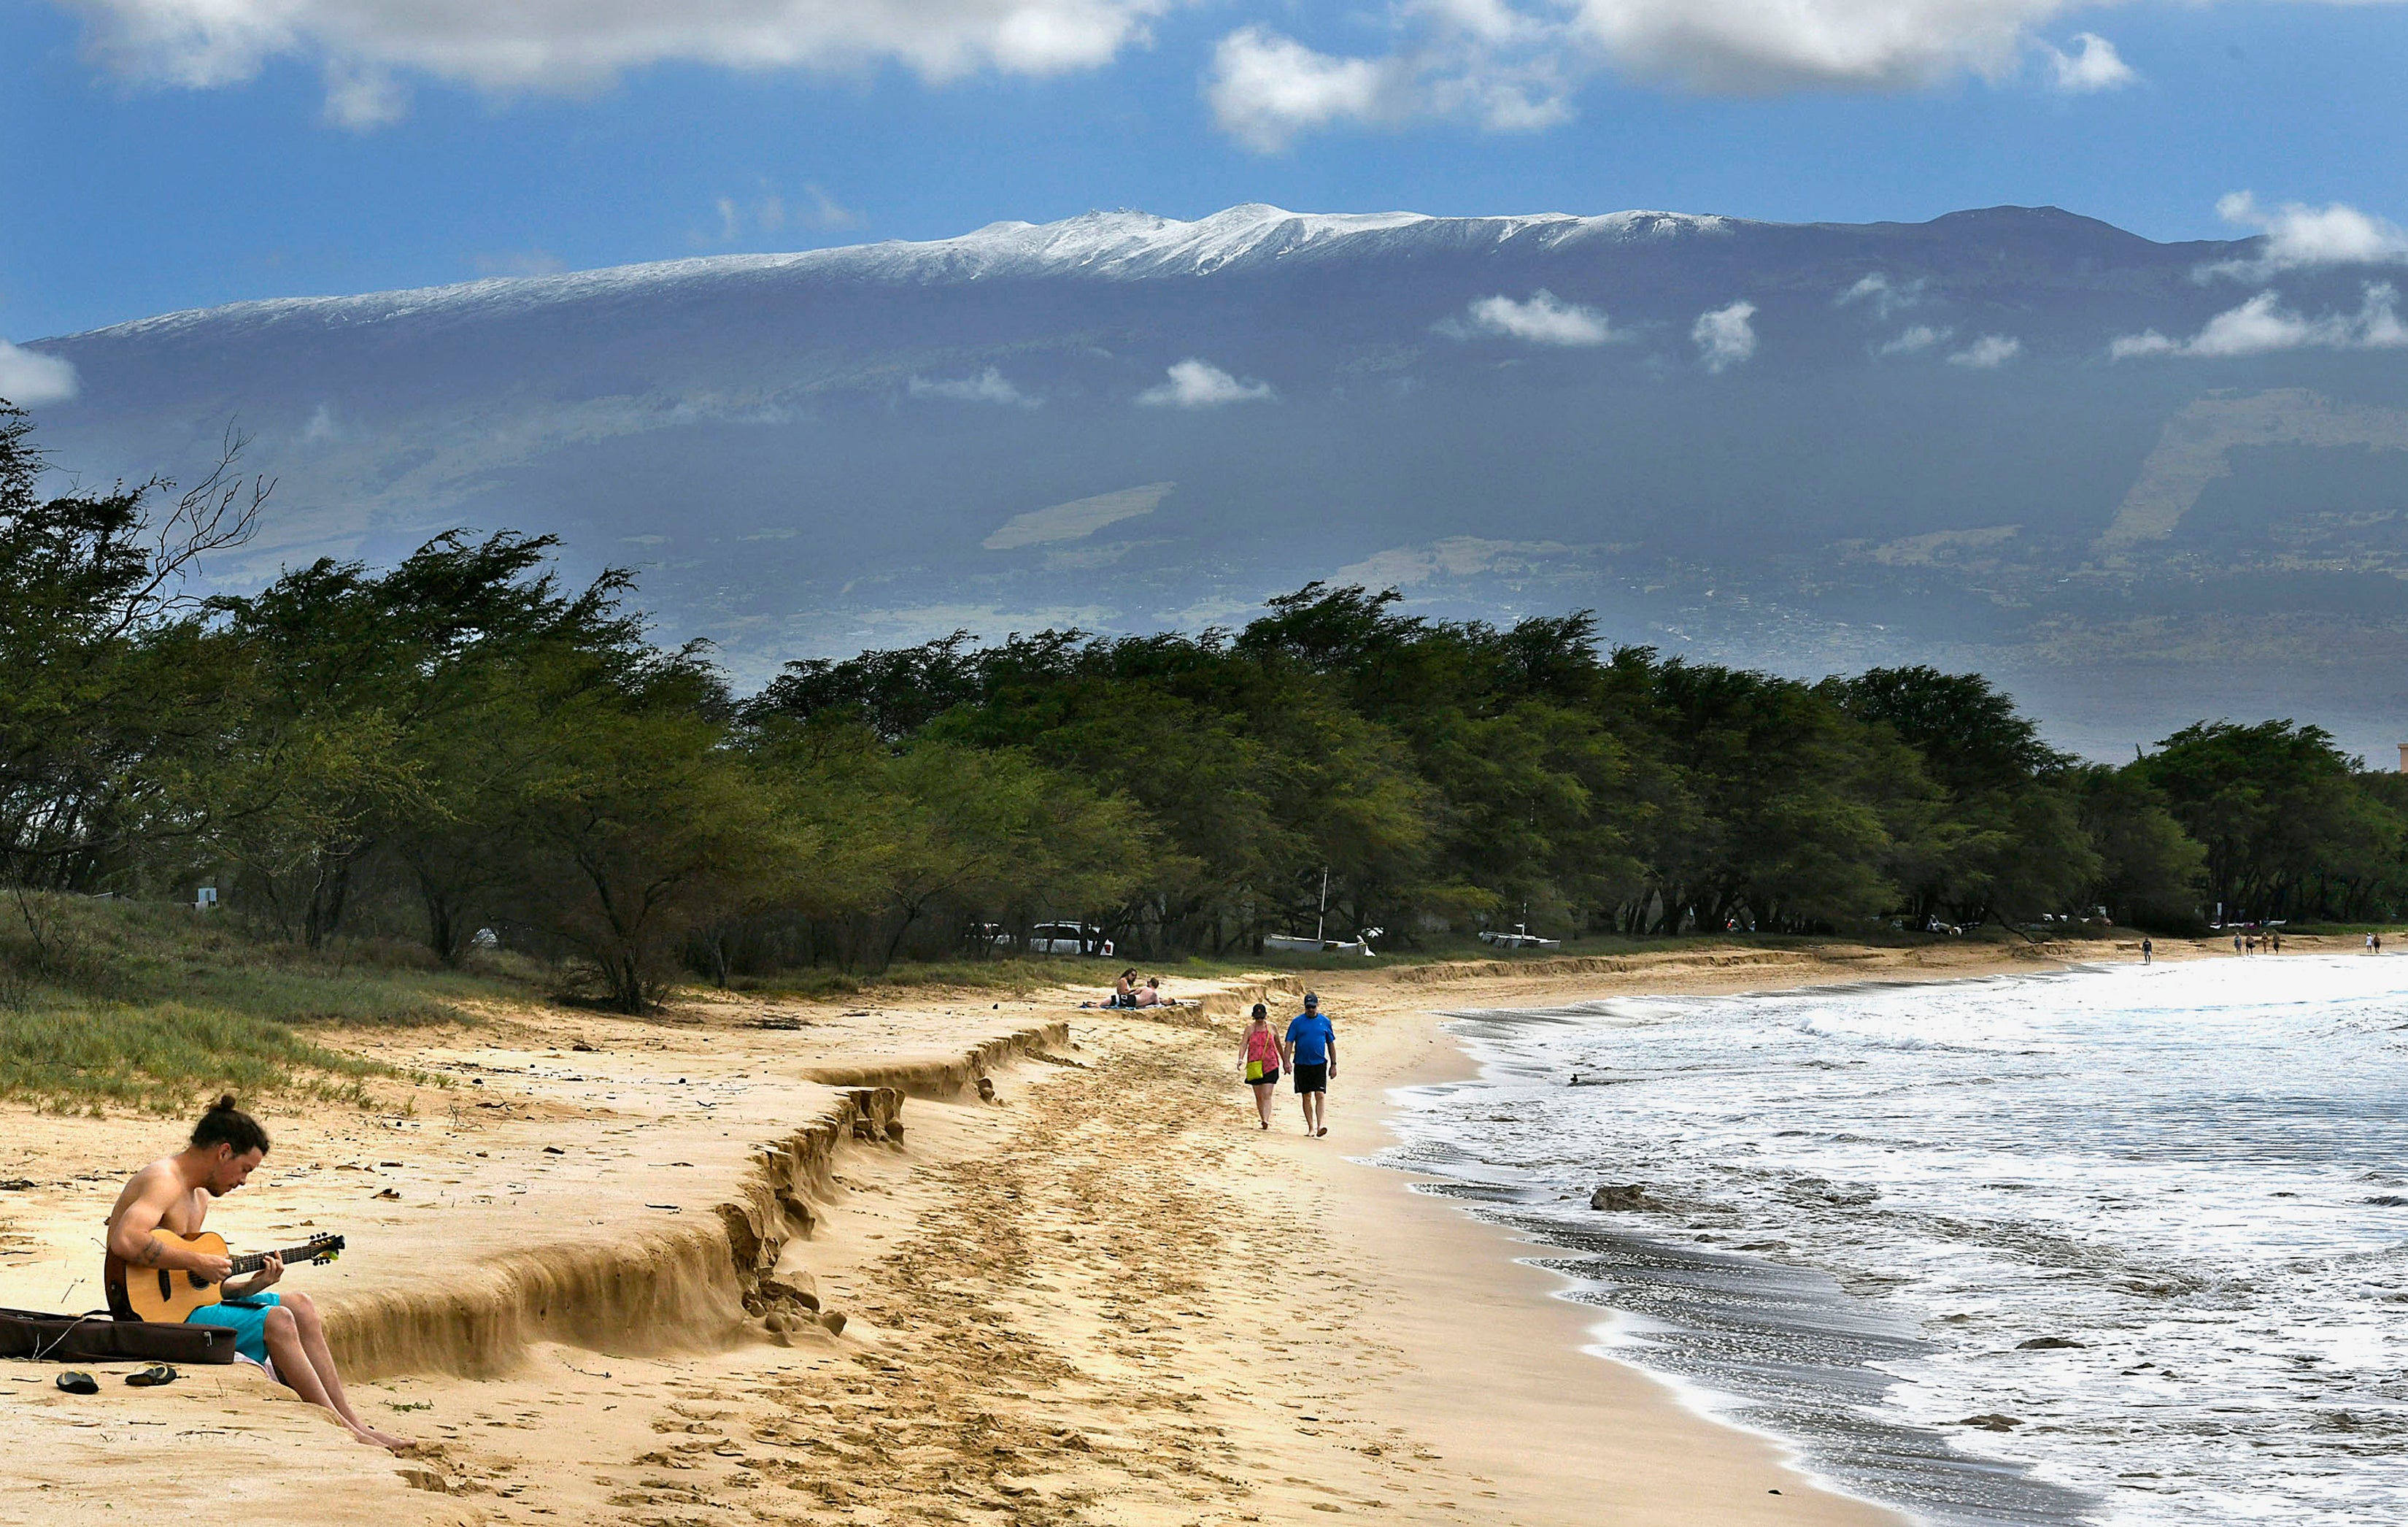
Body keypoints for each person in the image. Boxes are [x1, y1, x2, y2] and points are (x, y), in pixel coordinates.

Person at [104, 1097, 412, 1453]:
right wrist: (197, 1262)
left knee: (301, 1305)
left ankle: (353, 1420)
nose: (244, 1181)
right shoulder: (163, 1180)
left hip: (182, 1312)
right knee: (278, 1320)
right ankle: (341, 1427)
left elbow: (197, 1291)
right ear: (224, 1152)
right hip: (144, 1318)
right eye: (245, 1169)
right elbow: (125, 1240)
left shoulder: (199, 1196)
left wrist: (250, 1286)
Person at [1281, 992, 1338, 1137]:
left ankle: (1320, 1125)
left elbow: (1331, 1044)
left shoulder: (1325, 1022)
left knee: (1320, 1094)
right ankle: (1311, 1127)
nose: (1310, 1010)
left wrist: (1334, 1064)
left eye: (1313, 1007)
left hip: (1319, 1064)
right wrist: (1286, 1062)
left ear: (1317, 1006)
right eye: (1308, 1007)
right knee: (1306, 1096)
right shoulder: (1297, 1022)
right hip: (1302, 1064)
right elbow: (1289, 1042)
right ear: (1305, 1007)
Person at [1240, 1003, 1281, 1129]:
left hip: (1271, 1064)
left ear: (1265, 1016)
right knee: (1259, 1096)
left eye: (1261, 1017)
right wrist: (1240, 1059)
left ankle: (1266, 1120)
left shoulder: (1272, 1028)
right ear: (1254, 1017)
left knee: (1267, 1094)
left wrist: (1286, 1061)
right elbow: (1243, 1044)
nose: (1259, 1020)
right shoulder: (1249, 1029)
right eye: (1257, 1018)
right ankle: (1263, 1117)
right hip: (1254, 1065)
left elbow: (1279, 1045)